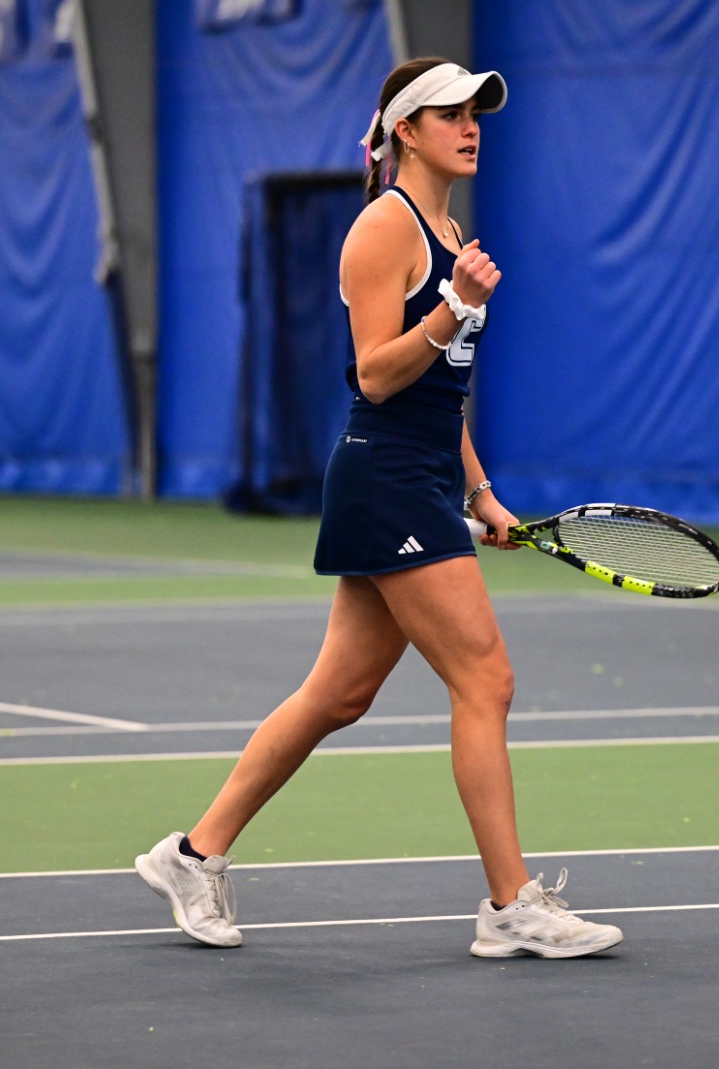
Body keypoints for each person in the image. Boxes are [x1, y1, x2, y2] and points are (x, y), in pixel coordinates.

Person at [135, 58, 623, 959]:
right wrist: (453, 304)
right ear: (407, 130)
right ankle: (510, 904)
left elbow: (443, 391)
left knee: (339, 693)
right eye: (451, 113)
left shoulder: (449, 230)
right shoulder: (381, 229)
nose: (471, 126)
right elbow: (375, 374)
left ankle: (192, 855)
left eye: (476, 113)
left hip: (423, 476)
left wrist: (479, 491)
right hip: (384, 478)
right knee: (486, 679)